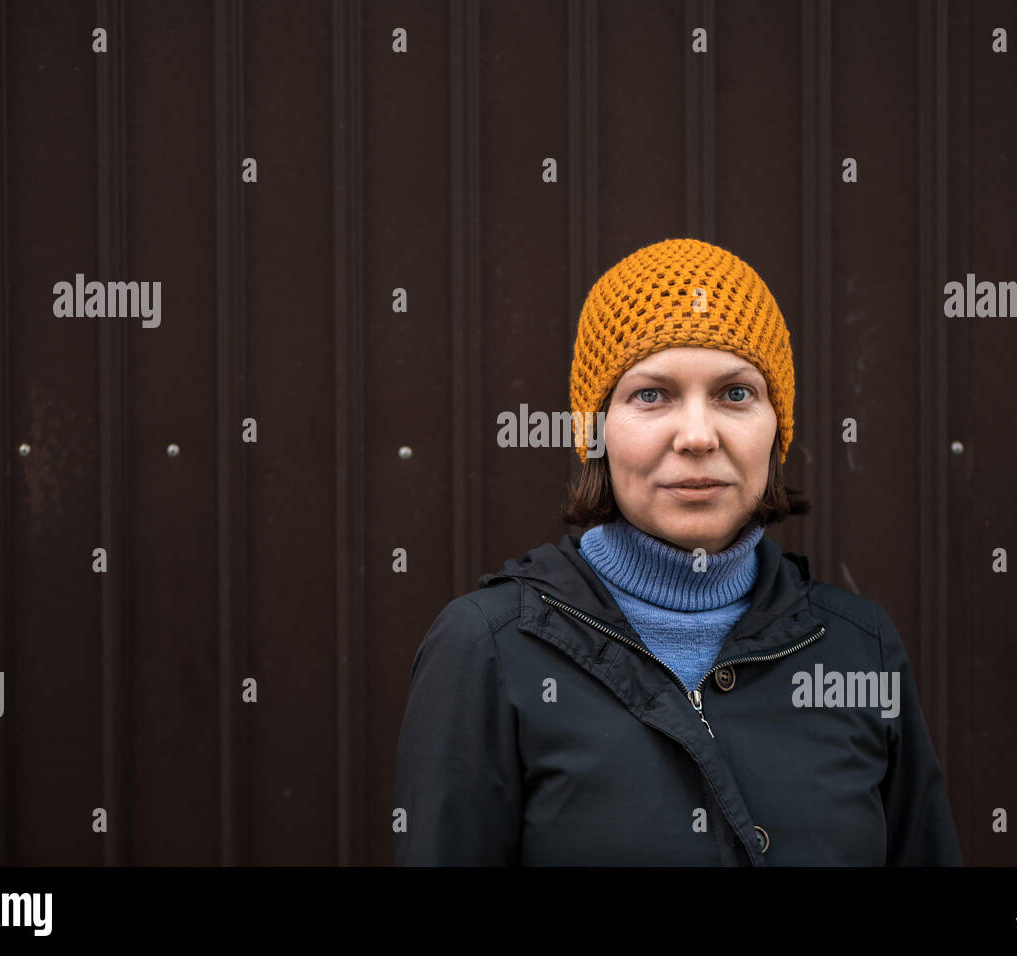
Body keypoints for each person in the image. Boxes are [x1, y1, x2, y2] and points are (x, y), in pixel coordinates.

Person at [392, 237, 962, 866]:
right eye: (652, 394)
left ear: (778, 427)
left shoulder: (859, 650)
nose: (696, 436)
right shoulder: (489, 648)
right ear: (596, 429)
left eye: (736, 394)